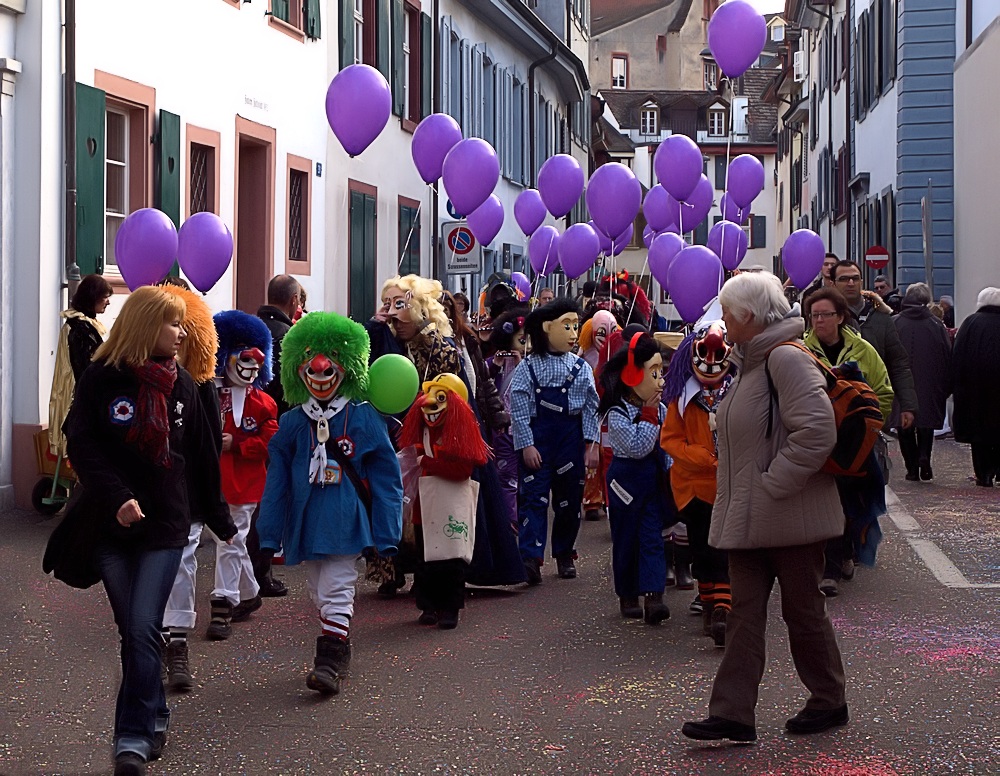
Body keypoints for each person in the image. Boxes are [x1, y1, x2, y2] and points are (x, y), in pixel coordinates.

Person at [60, 286, 236, 775]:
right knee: (133, 632)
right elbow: (82, 444)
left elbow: (201, 456)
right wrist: (117, 497)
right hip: (109, 528)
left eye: (182, 324)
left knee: (142, 627)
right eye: (173, 324)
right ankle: (154, 711)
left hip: (165, 528)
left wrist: (222, 522)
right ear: (144, 325)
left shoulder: (185, 384)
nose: (181, 334)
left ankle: (131, 737)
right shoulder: (101, 378)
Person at [682, 272, 847, 744]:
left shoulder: (784, 361)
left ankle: (828, 699)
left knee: (803, 613)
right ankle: (733, 713)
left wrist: (774, 483)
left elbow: (816, 432)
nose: (723, 323)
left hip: (789, 517)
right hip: (753, 517)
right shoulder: (750, 363)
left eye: (728, 315)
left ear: (748, 318)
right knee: (743, 615)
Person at [256, 312, 403, 695]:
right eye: (310, 358)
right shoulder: (291, 424)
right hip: (307, 518)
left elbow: (388, 478)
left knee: (338, 585)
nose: (320, 369)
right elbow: (275, 483)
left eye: (332, 358)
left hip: (345, 516)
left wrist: (388, 531)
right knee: (319, 590)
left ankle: (329, 657)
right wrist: (268, 533)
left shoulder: (363, 417)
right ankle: (339, 639)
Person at [158, 283, 227, 692]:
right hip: (142, 495)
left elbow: (208, 446)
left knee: (183, 562)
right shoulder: (122, 378)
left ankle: (177, 642)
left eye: (185, 327)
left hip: (184, 494)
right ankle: (155, 639)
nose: (179, 335)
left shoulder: (198, 384)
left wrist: (212, 505)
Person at [803, 287, 893, 597]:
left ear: (841, 317)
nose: (819, 321)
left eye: (826, 315)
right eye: (814, 315)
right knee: (829, 501)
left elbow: (883, 391)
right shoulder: (803, 351)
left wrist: (866, 424)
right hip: (818, 440)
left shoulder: (863, 350)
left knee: (855, 501)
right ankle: (831, 566)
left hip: (855, 443)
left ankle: (847, 552)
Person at [509, 299, 600, 583]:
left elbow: (591, 407)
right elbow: (519, 408)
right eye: (567, 326)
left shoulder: (581, 368)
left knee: (568, 503)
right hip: (539, 442)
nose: (574, 333)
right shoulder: (527, 368)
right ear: (547, 328)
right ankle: (530, 558)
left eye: (576, 326)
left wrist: (590, 446)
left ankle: (564, 553)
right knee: (533, 501)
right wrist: (526, 444)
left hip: (569, 444)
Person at [660, 319, 735, 646]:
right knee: (704, 550)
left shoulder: (738, 390)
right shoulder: (681, 398)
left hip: (731, 486)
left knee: (725, 550)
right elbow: (670, 440)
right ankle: (711, 604)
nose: (711, 361)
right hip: (694, 488)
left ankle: (722, 608)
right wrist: (703, 457)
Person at [399, 374, 490, 629]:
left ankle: (450, 608)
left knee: (451, 560)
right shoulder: (421, 435)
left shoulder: (460, 436)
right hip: (424, 507)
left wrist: (429, 463)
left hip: (450, 506)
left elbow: (463, 470)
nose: (431, 407)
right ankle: (428, 605)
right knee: (425, 558)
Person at [598, 333, 670, 624]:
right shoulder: (617, 414)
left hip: (651, 481)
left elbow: (668, 445)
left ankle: (654, 594)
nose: (660, 381)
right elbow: (637, 447)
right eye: (654, 373)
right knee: (626, 538)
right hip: (625, 483)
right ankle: (628, 593)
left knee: (653, 537)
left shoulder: (661, 409)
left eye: (661, 373)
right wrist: (650, 416)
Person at [249, 273, 302, 598]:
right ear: (294, 302)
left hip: (244, 428)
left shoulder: (251, 331)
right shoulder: (289, 338)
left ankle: (247, 571)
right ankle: (261, 572)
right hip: (278, 427)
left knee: (247, 501)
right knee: (270, 501)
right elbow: (294, 391)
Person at [831, 260, 918, 441]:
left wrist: (907, 405)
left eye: (855, 278)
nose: (850, 283)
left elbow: (898, 363)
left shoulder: (881, 317)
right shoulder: (827, 317)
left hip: (875, 404)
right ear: (833, 283)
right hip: (837, 406)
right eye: (844, 279)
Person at [890, 283, 952, 481]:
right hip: (930, 380)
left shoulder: (895, 323)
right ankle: (924, 456)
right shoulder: (936, 325)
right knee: (926, 423)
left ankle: (911, 468)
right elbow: (946, 355)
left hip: (901, 382)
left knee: (904, 423)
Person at [47, 273, 114, 457]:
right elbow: (85, 368)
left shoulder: (82, 325)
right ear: (93, 297)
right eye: (105, 297)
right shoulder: (81, 329)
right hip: (81, 402)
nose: (108, 302)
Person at [952, 287, 1000, 486]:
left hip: (975, 390)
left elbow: (958, 356)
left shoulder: (971, 323)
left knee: (979, 435)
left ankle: (983, 473)